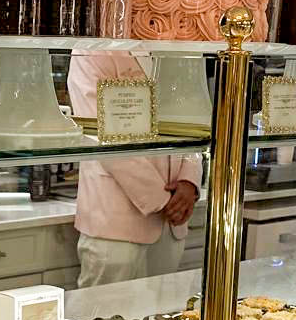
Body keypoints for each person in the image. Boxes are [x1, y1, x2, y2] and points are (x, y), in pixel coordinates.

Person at [67, 51, 202, 287]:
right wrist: (163, 199)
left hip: (172, 224)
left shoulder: (179, 46)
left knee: (164, 310)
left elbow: (195, 119)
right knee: (104, 309)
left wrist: (189, 180)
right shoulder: (90, 50)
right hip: (115, 222)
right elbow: (101, 135)